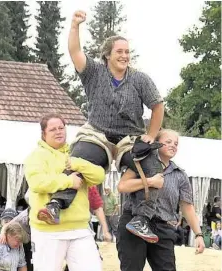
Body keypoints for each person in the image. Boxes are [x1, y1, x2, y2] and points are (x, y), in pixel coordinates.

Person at [38, 10, 164, 230]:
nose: (125, 55)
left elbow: (157, 105)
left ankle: (142, 219)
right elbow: (75, 51)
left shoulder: (139, 79)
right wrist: (75, 25)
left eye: (127, 52)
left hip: (130, 137)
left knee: (153, 167)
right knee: (79, 158)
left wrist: (151, 136)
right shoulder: (94, 72)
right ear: (107, 55)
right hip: (97, 134)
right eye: (119, 51)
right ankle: (56, 205)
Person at [25, 113, 105, 271]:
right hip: (48, 230)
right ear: (44, 134)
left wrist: (78, 164)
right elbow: (37, 182)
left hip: (80, 227)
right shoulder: (37, 155)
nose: (58, 132)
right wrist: (69, 181)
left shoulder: (75, 154)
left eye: (61, 128)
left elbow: (99, 176)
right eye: (53, 129)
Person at [117, 129, 205, 271]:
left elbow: (187, 207)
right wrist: (150, 181)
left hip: (163, 228)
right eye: (168, 142)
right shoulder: (140, 162)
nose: (173, 145)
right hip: (133, 222)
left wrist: (198, 234)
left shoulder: (180, 175)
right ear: (156, 143)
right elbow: (122, 186)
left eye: (176, 143)